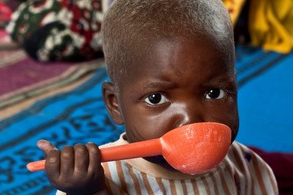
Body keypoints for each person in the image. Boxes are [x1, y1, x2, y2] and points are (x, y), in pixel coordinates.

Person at [37, 0, 278, 194]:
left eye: (214, 93)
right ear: (115, 104)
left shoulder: (244, 165)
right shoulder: (102, 177)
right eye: (156, 99)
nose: (191, 119)